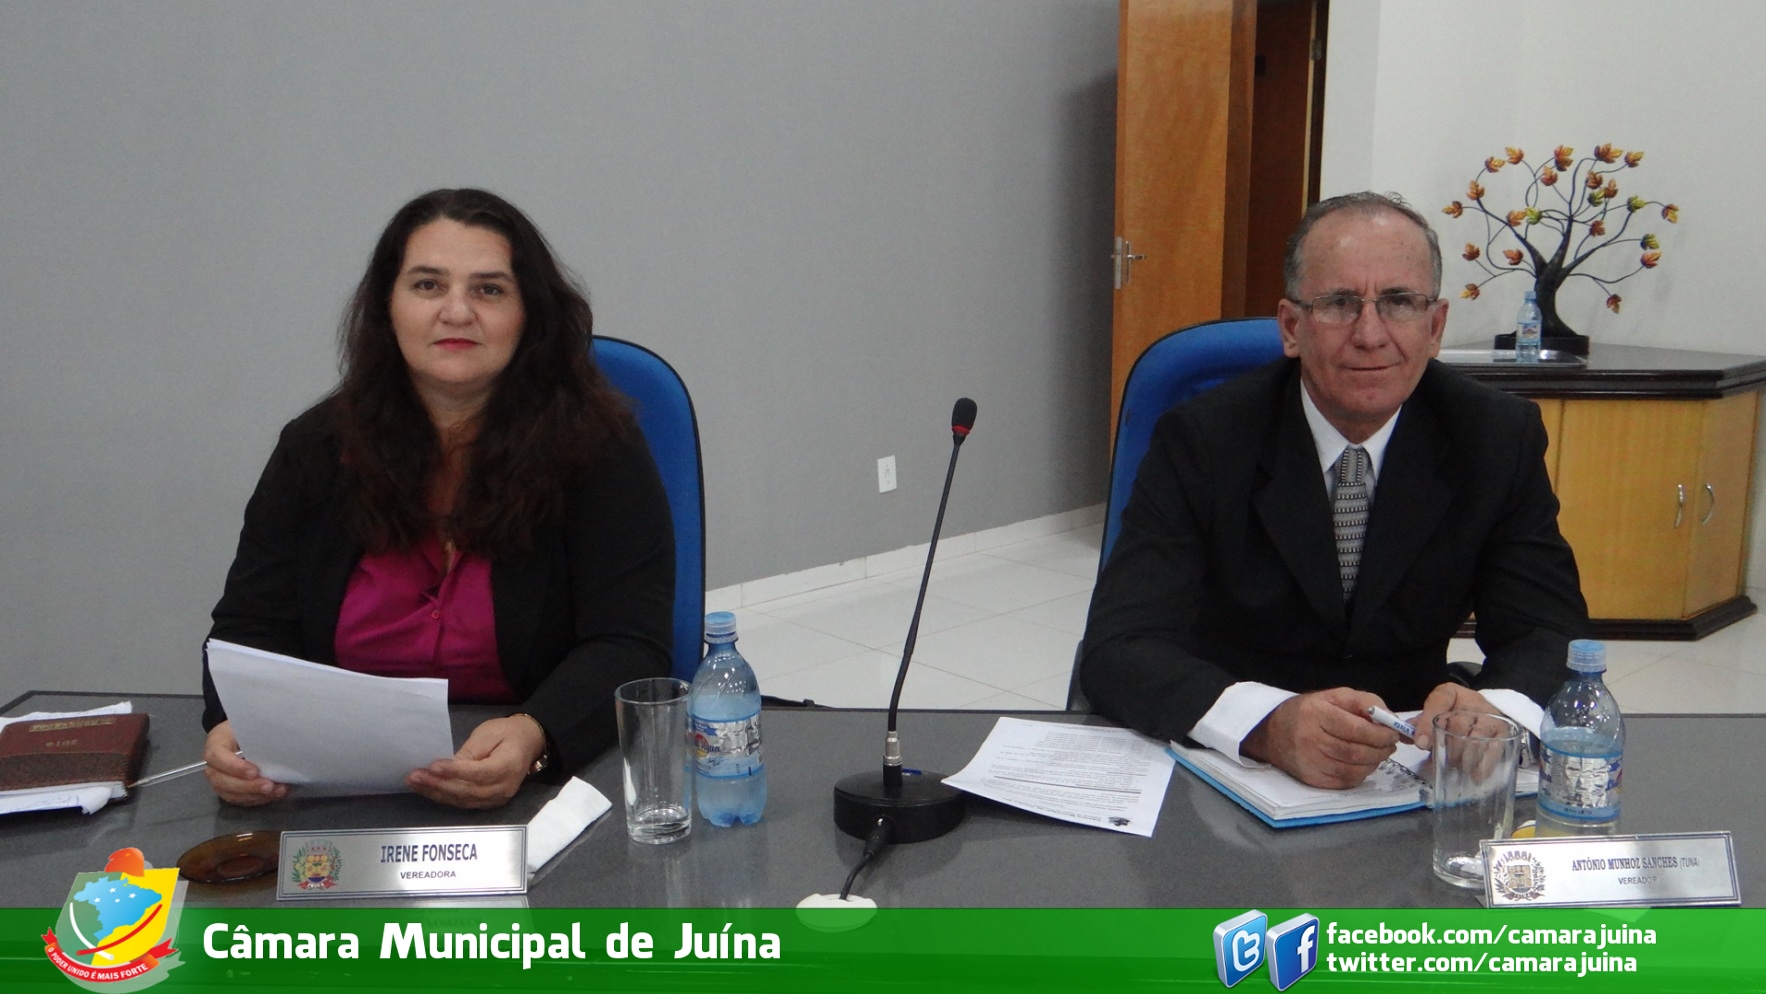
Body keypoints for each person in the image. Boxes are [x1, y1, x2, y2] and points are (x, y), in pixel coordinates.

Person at [1080, 191, 1589, 789]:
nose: (1370, 334)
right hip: (1236, 765)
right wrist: (1265, 725)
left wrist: (1496, 712)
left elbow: (1549, 632)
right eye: (1340, 303)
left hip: (1408, 762)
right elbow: (1121, 646)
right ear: (1292, 327)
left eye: (1399, 302)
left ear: (1434, 326)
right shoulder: (1204, 438)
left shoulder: (1495, 436)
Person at [201, 189, 674, 809]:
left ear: (529, 313)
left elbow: (630, 642)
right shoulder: (314, 450)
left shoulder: (599, 450)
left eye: (489, 290)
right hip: (331, 788)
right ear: (387, 306)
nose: (457, 312)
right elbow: (249, 630)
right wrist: (232, 728)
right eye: (428, 285)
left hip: (540, 785)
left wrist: (536, 734)